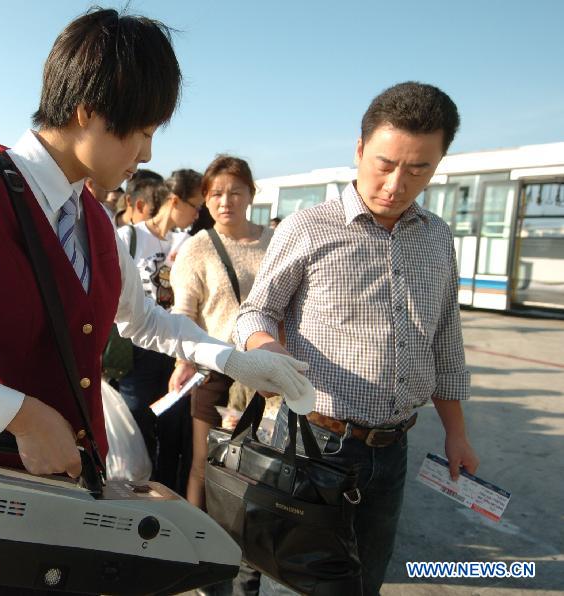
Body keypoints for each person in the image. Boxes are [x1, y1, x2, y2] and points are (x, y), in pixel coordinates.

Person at [0, 9, 312, 594]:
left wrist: (231, 358)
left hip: (76, 496)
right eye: (142, 130)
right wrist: (20, 414)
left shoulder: (93, 218)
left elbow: (142, 320)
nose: (146, 152)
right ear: (87, 111)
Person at [235, 81, 479, 596]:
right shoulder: (308, 226)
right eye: (385, 164)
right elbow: (255, 311)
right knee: (296, 582)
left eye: (419, 170)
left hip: (392, 451)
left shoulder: (437, 236)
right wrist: (267, 349)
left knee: (366, 579)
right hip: (314, 445)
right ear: (360, 148)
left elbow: (446, 343)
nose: (396, 184)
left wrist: (457, 433)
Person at [169, 155, 273, 508]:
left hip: (265, 371)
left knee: (261, 465)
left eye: (235, 192)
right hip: (215, 369)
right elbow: (184, 310)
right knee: (204, 464)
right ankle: (198, 543)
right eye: (215, 194)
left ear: (251, 194)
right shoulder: (197, 246)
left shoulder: (274, 242)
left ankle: (249, 546)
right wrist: (181, 363)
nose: (225, 202)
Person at [116, 170, 203, 492]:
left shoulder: (188, 242)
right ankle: (131, 488)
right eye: (195, 206)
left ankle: (163, 494)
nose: (197, 214)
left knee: (172, 427)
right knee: (136, 420)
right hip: (136, 350)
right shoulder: (129, 237)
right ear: (175, 200)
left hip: (174, 348)